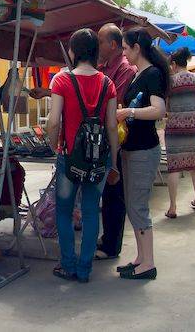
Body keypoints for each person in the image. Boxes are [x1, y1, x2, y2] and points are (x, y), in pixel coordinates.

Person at [45, 29, 119, 283]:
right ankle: (85, 269)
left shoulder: (62, 81)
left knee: (64, 212)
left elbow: (54, 122)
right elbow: (111, 126)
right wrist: (114, 161)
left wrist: (54, 146)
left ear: (73, 52)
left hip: (69, 157)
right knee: (90, 212)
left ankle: (68, 264)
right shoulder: (108, 83)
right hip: (99, 159)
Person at [113, 28, 168, 280]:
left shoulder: (153, 74)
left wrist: (129, 114)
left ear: (137, 48)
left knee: (138, 206)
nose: (123, 52)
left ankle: (149, 263)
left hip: (144, 150)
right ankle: (141, 258)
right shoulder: (139, 75)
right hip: (132, 148)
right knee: (133, 206)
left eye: (125, 47)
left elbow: (158, 110)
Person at [164, 47, 195, 218]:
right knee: (194, 166)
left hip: (174, 127)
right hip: (194, 127)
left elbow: (166, 106)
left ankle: (173, 207)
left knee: (174, 168)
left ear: (173, 63)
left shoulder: (170, 82)